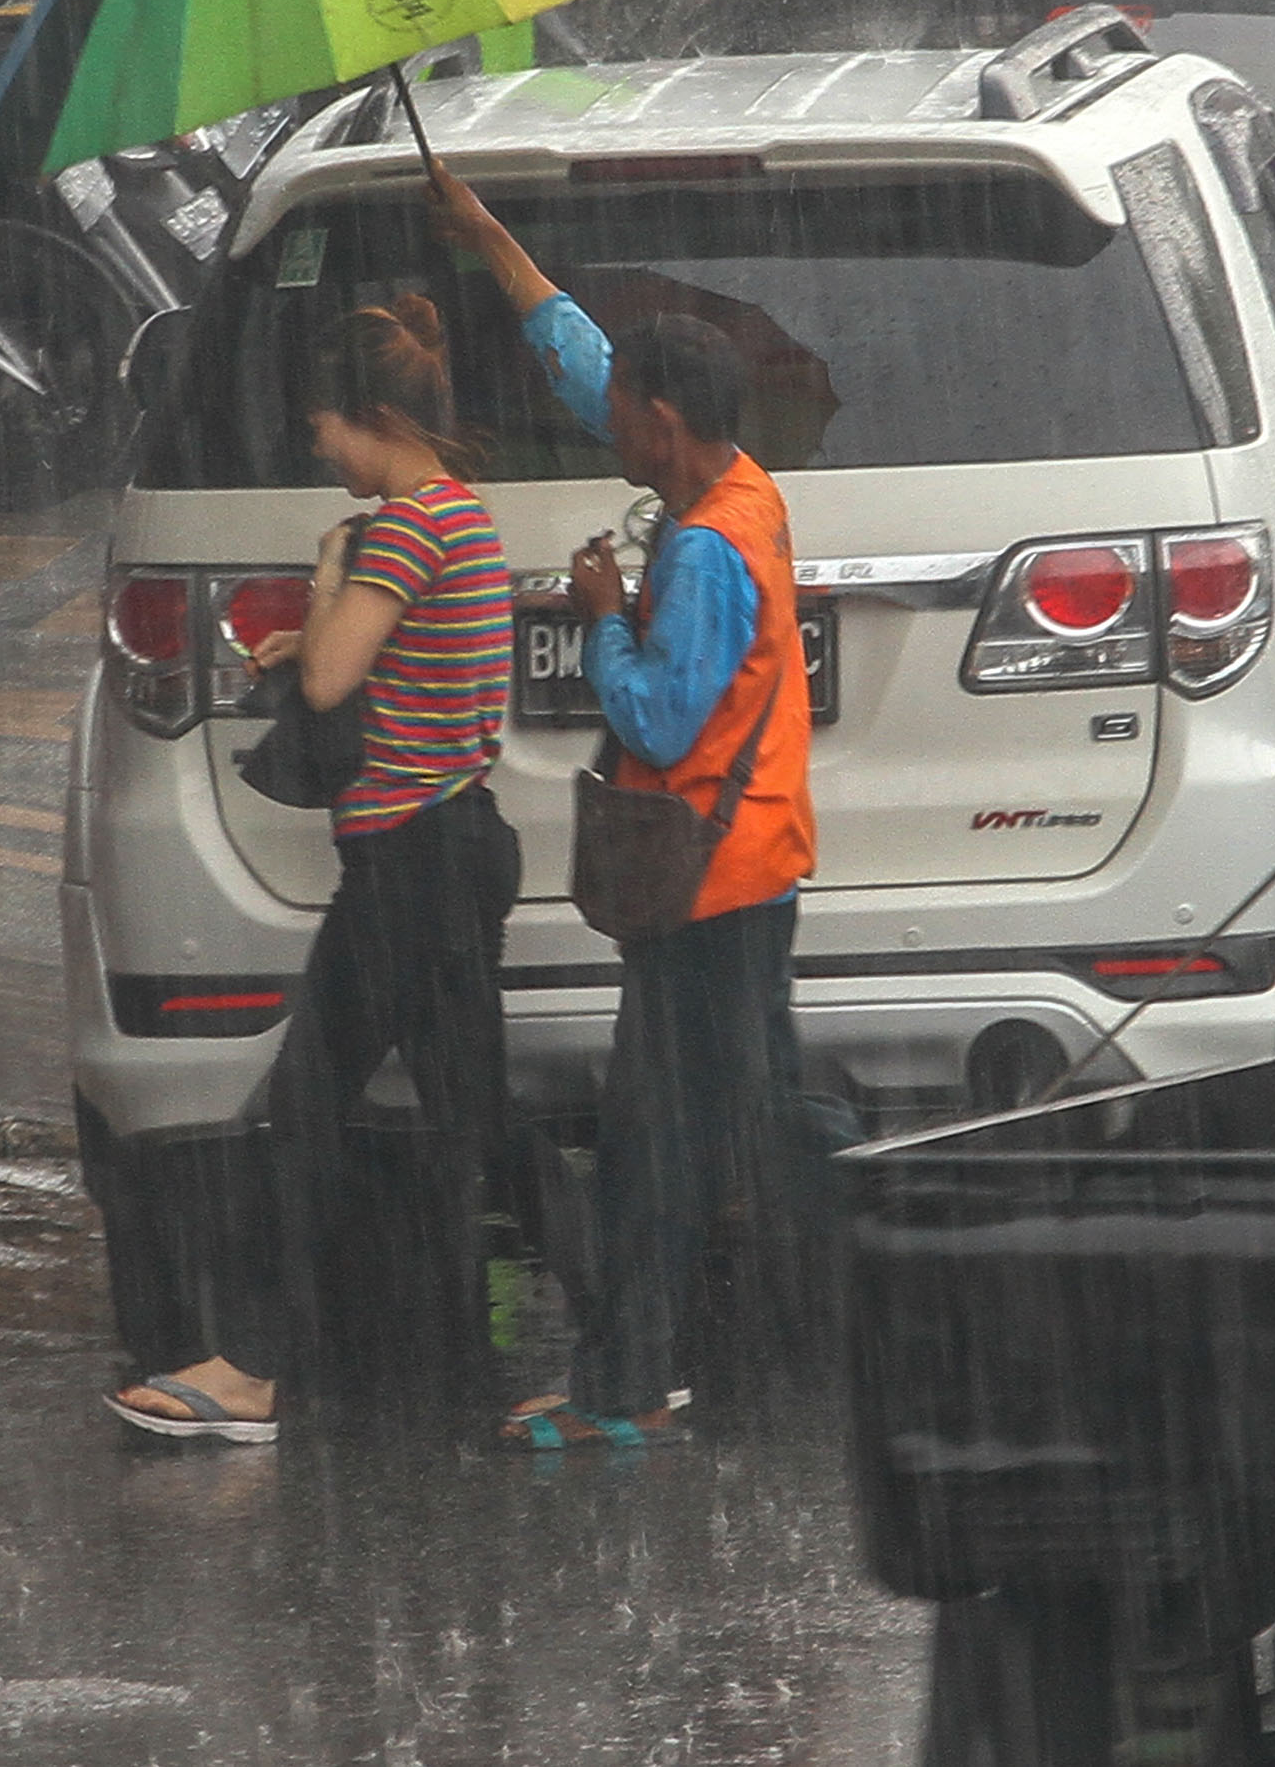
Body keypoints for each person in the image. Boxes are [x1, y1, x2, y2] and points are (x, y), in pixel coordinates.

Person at [426, 166, 816, 1451]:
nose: (608, 428)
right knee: (759, 1112)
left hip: (702, 878)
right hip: (749, 866)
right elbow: (583, 360)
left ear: (663, 423)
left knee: (657, 1139)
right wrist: (492, 245)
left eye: (623, 419)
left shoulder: (703, 549)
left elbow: (657, 720)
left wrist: (602, 624)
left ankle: (624, 1385)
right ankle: (875, 1305)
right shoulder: (739, 486)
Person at [105, 297, 519, 1443]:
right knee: (473, 1122)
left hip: (404, 868)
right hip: (454, 850)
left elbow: (334, 685)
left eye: (325, 429)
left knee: (304, 1109)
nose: (319, 449)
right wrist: (325, 625)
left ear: (376, 418)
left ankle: (256, 1370)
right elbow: (399, 662)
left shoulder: (397, 529)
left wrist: (328, 570)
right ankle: (583, 1355)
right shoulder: (462, 518)